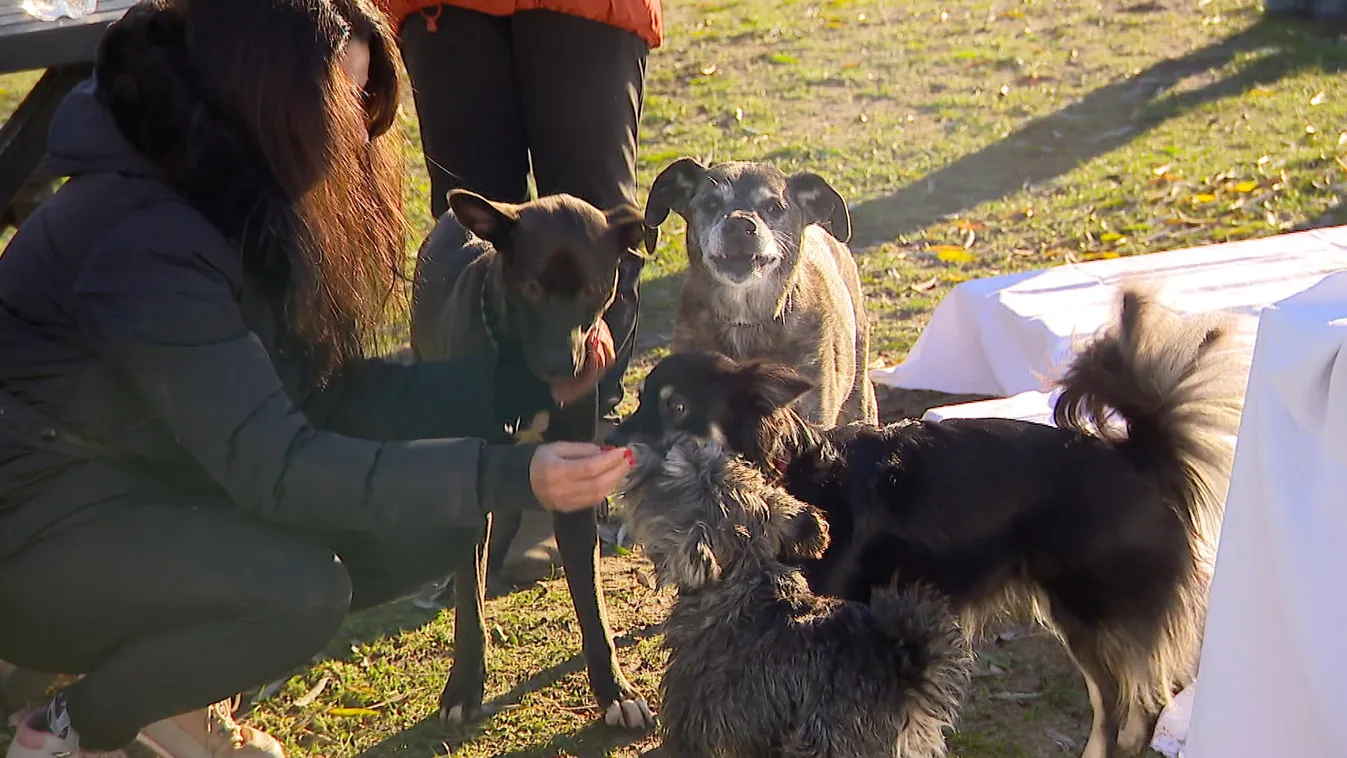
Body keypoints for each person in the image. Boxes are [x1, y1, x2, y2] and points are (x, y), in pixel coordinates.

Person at [0, 1, 634, 757]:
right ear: (273, 97)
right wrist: (510, 474)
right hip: (29, 530)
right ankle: (65, 728)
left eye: (368, 107)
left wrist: (526, 391)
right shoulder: (148, 236)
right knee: (297, 594)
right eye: (345, 103)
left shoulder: (241, 199)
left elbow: (329, 395)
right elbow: (277, 466)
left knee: (438, 521)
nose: (360, 136)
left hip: (138, 478)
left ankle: (171, 689)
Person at [376, 0, 662, 426]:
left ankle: (589, 420)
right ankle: (477, 439)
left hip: (590, 8)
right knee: (467, 238)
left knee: (587, 230)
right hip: (446, 11)